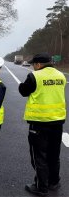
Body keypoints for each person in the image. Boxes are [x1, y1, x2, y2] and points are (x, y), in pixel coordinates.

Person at [19, 53, 66, 196]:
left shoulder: (35, 76)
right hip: (57, 121)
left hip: (39, 123)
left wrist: (22, 85)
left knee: (39, 156)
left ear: (38, 64)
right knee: (54, 153)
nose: (33, 67)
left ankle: (41, 187)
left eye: (34, 64)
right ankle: (53, 182)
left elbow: (23, 91)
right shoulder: (61, 76)